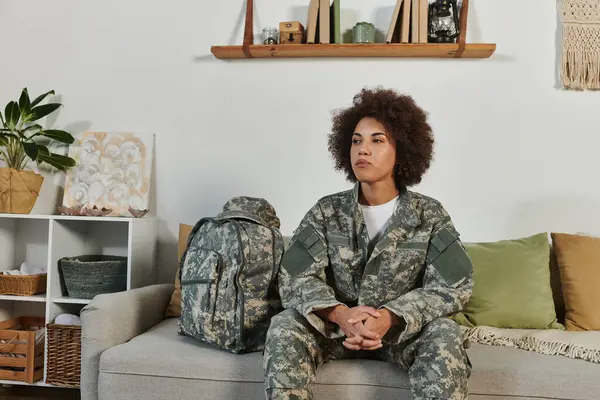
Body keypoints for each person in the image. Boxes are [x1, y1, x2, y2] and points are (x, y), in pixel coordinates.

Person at [263, 87, 474, 400]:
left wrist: (389, 317)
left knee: (445, 332)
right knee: (284, 324)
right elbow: (295, 277)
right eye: (356, 140)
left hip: (401, 334)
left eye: (377, 140)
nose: (363, 150)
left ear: (402, 149)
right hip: (337, 333)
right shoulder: (326, 211)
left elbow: (454, 285)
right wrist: (340, 315)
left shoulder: (429, 214)